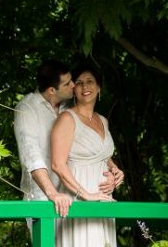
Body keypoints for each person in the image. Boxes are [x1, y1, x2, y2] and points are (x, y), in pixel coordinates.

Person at [13, 60, 118, 230]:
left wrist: (112, 168)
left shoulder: (68, 108)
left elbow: (85, 147)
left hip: (72, 193)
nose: (74, 85)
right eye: (68, 83)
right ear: (52, 90)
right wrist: (53, 194)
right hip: (44, 197)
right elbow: (31, 157)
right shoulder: (27, 109)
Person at [51, 64, 124, 246]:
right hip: (77, 198)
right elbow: (58, 165)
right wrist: (86, 195)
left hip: (103, 200)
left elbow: (102, 154)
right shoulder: (67, 119)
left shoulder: (103, 121)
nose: (85, 87)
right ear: (73, 89)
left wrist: (115, 170)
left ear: (98, 87)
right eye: (79, 82)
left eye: (90, 81)